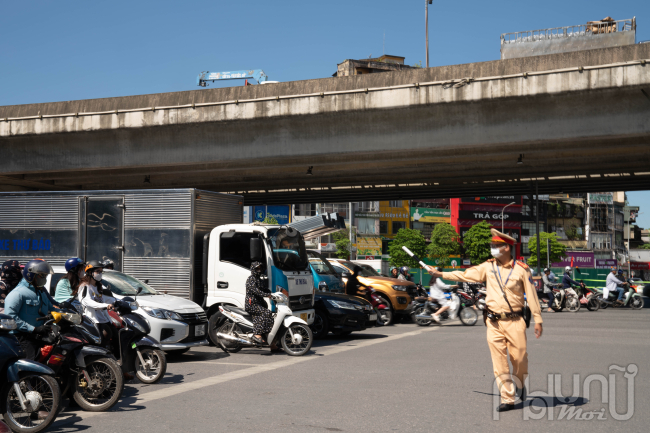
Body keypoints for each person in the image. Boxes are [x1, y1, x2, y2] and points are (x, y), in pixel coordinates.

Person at [426, 229, 543, 412]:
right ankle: (508, 398)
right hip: (493, 322)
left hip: (515, 321)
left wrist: (538, 319)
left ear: (506, 247)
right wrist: (440, 274)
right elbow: (464, 275)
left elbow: (532, 294)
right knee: (499, 362)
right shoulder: (487, 267)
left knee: (520, 359)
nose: (493, 249)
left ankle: (520, 382)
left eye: (496, 246)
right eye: (492, 246)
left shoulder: (521, 269)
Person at [4, 259, 57, 360]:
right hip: (22, 337)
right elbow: (11, 317)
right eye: (41, 275)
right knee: (31, 366)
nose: (44, 279)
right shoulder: (18, 293)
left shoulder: (40, 292)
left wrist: (67, 314)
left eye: (45, 276)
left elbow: (51, 308)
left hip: (39, 334)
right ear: (30, 275)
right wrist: (33, 329)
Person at [78, 261, 116, 348]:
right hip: (93, 320)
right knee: (102, 339)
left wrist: (116, 301)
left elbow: (105, 298)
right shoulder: (84, 286)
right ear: (90, 272)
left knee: (116, 335)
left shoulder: (98, 286)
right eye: (97, 271)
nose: (100, 274)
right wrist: (105, 305)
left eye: (101, 272)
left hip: (103, 318)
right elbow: (86, 301)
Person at [244, 261, 278, 351]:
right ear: (253, 269)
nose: (259, 270)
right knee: (266, 312)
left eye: (260, 268)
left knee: (271, 317)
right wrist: (267, 295)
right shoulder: (251, 279)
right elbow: (256, 291)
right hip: (252, 304)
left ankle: (272, 344)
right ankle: (256, 334)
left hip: (258, 303)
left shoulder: (259, 279)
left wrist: (274, 294)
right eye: (257, 268)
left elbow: (265, 289)